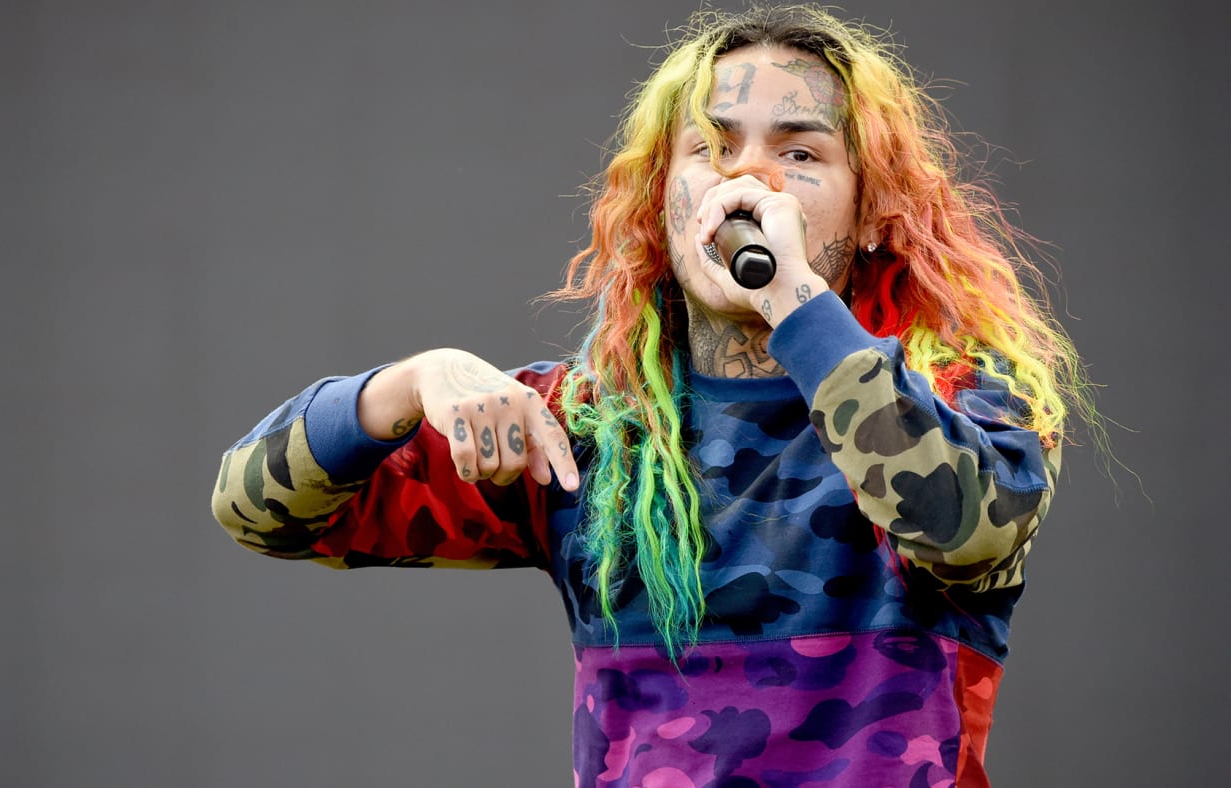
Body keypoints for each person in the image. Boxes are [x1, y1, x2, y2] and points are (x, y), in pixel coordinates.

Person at [211, 4, 1088, 785]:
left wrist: (791, 297)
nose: (746, 182)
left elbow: (962, 530)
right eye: (710, 148)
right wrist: (406, 383)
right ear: (661, 198)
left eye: (799, 153)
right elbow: (256, 510)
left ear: (869, 215)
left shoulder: (960, 396)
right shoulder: (591, 429)